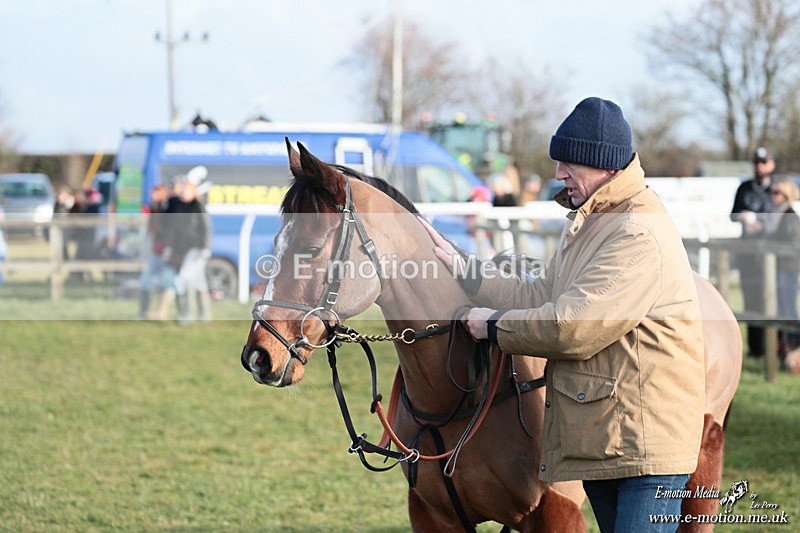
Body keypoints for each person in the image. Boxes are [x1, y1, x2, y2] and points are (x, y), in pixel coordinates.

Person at [423, 97, 705, 532]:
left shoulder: (635, 232)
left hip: (645, 448)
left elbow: (572, 326)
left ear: (604, 165)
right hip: (612, 438)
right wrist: (469, 272)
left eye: (569, 163)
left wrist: (493, 326)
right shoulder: (593, 222)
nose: (558, 174)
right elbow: (542, 291)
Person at [730, 147, 775, 358]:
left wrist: (762, 225)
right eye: (757, 161)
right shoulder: (744, 188)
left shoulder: (775, 190)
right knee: (750, 301)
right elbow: (733, 215)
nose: (760, 166)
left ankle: (772, 349)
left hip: (769, 255)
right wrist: (742, 217)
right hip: (747, 255)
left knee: (770, 300)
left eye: (764, 162)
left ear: (771, 164)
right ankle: (754, 350)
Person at [159, 174, 212, 324]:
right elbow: (173, 229)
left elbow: (206, 228)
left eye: (185, 191)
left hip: (196, 249)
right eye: (181, 191)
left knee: (184, 279)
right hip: (181, 249)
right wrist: (168, 247)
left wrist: (206, 247)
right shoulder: (178, 206)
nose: (182, 193)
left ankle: (187, 315)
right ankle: (202, 315)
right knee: (198, 282)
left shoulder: (198, 206)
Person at [764, 178, 800, 358]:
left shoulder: (790, 216)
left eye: (776, 193)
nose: (772, 196)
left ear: (786, 195)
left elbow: (794, 245)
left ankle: (793, 346)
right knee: (779, 308)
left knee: (788, 309)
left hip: (787, 268)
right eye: (772, 192)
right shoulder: (776, 214)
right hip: (777, 268)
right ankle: (782, 346)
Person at [137, 185, 171, 319]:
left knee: (165, 281)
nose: (153, 197)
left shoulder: (168, 210)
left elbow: (170, 231)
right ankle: (143, 311)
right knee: (146, 280)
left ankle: (161, 312)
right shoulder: (153, 208)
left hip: (165, 250)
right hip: (154, 249)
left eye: (156, 194)